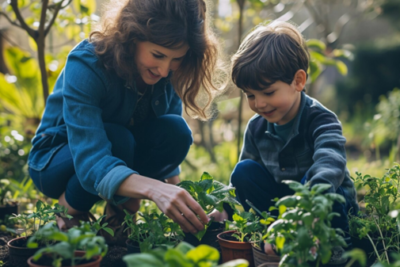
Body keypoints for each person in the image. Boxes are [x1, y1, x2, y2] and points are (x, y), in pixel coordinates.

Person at [27, 0, 226, 243]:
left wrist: (187, 203)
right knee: (118, 138)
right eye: (158, 55)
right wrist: (154, 190)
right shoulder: (87, 63)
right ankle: (70, 209)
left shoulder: (167, 71)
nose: (164, 70)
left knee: (176, 131)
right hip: (56, 160)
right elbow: (90, 158)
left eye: (176, 59)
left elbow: (166, 143)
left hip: (120, 150)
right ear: (132, 36)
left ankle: (119, 217)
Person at [213, 20, 359, 264]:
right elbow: (240, 182)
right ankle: (274, 239)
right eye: (250, 95)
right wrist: (223, 208)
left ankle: (332, 250)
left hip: (324, 210)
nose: (259, 104)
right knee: (243, 171)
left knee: (318, 183)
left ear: (298, 81)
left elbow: (329, 164)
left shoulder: (321, 120)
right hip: (282, 209)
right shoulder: (257, 127)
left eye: (268, 93)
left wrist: (306, 210)